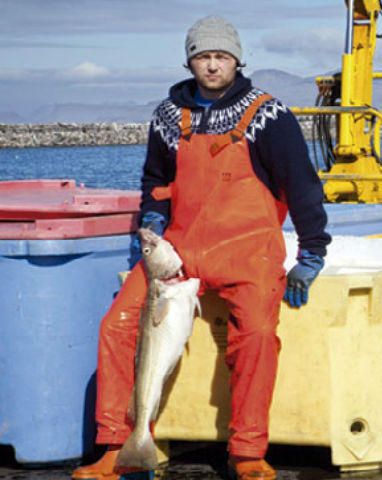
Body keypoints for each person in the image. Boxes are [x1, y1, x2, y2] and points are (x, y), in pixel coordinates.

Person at [71, 15, 331, 480]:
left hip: (250, 251)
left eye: (221, 57)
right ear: (190, 61)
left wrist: (312, 253)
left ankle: (248, 452)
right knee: (117, 326)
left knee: (254, 336)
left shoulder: (268, 114)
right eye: (203, 56)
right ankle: (117, 446)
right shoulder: (168, 117)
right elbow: (155, 179)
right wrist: (152, 216)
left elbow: (303, 186)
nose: (212, 65)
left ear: (237, 60)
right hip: (180, 251)